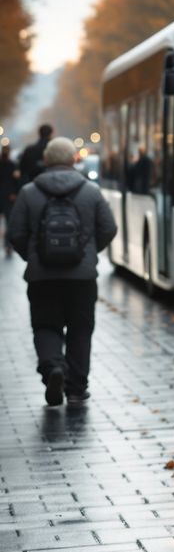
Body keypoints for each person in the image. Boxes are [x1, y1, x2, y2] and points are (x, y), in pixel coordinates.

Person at [9, 137, 117, 406]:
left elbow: (15, 233)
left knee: (46, 325)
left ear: (45, 161)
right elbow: (109, 228)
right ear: (73, 160)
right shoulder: (91, 192)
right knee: (81, 329)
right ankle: (77, 388)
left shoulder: (29, 192)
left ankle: (53, 368)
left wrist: (32, 257)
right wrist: (89, 254)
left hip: (42, 277)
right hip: (81, 278)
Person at [0, 145, 18, 256]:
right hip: (8, 195)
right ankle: (8, 244)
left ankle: (8, 244)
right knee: (8, 220)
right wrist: (14, 193)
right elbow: (16, 180)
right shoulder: (12, 165)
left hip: (5, 195)